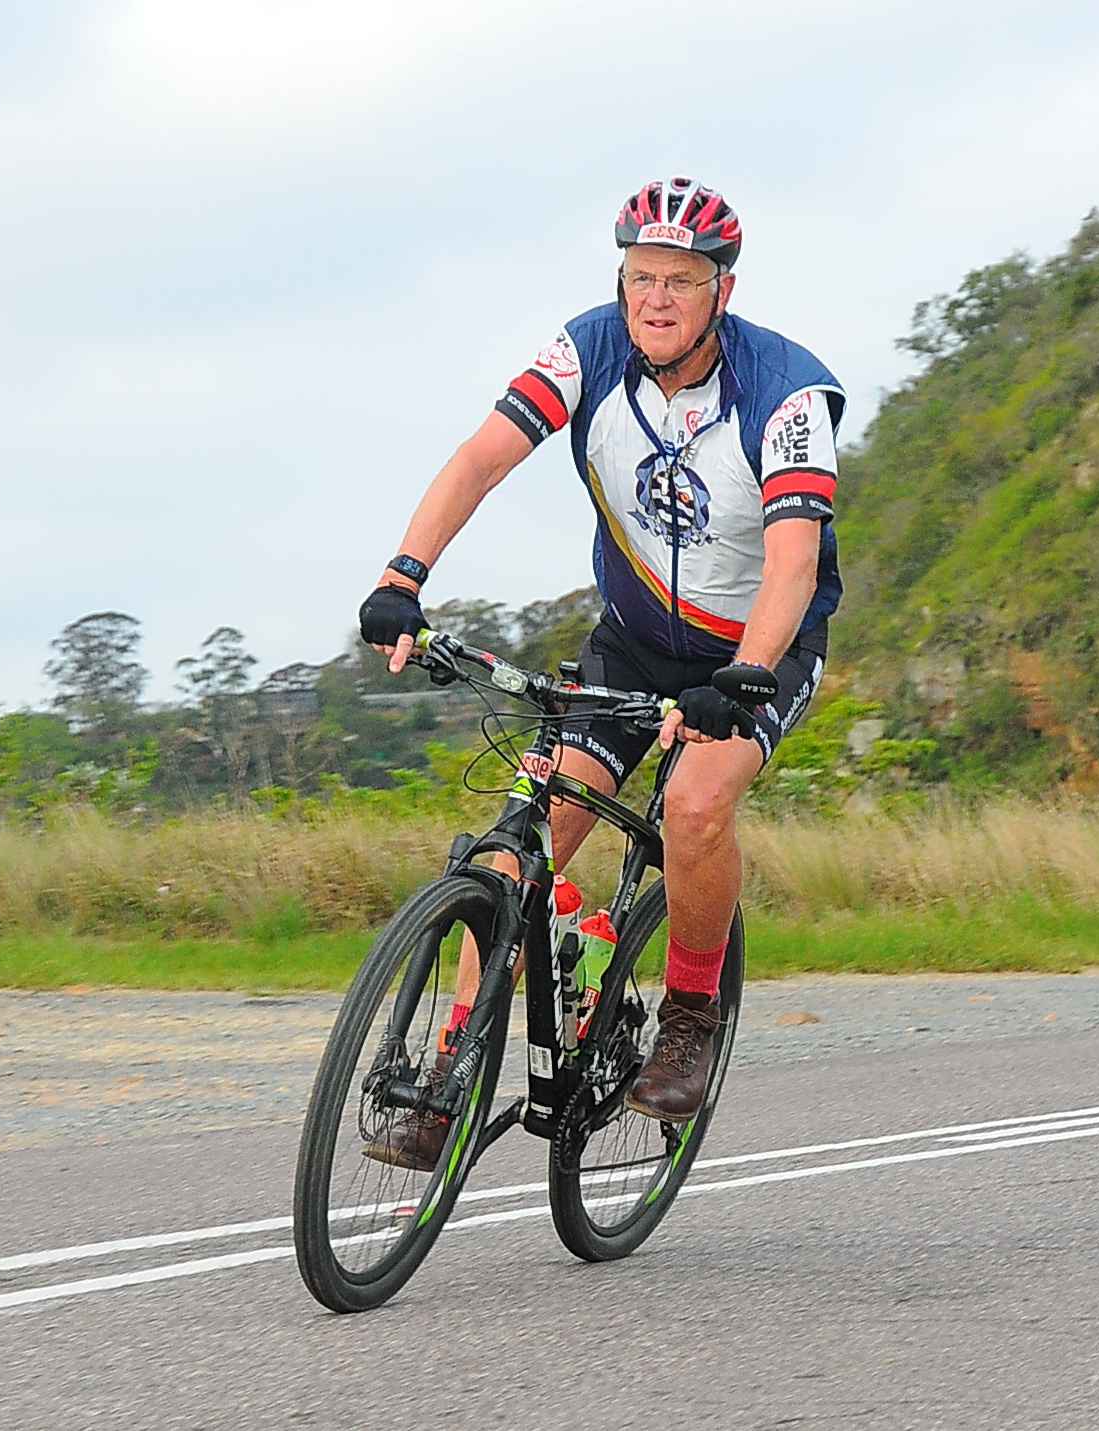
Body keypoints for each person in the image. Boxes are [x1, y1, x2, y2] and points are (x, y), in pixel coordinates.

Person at [358, 176, 845, 1169]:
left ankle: (692, 1015)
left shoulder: (787, 391)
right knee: (512, 851)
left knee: (695, 809)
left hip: (758, 648)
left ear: (723, 291)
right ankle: (446, 1083)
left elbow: (793, 562)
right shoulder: (587, 350)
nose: (655, 299)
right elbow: (481, 458)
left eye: (680, 280)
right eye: (639, 278)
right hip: (629, 644)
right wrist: (402, 576)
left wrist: (743, 676)